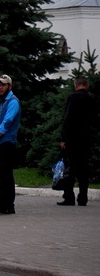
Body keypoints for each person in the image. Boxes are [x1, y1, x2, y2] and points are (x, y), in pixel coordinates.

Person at [58, 76, 96, 207]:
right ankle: (83, 197)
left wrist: (63, 138)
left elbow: (68, 119)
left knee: (70, 168)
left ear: (76, 85)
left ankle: (69, 197)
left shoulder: (73, 98)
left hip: (73, 139)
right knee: (84, 169)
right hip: (86, 139)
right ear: (87, 85)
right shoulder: (91, 99)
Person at [0, 74, 20, 215]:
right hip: (0, 141)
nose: (0, 87)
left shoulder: (13, 102)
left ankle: (4, 205)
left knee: (5, 175)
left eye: (4, 85)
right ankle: (5, 205)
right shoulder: (3, 101)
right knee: (4, 175)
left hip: (7, 142)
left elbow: (7, 122)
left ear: (9, 86)